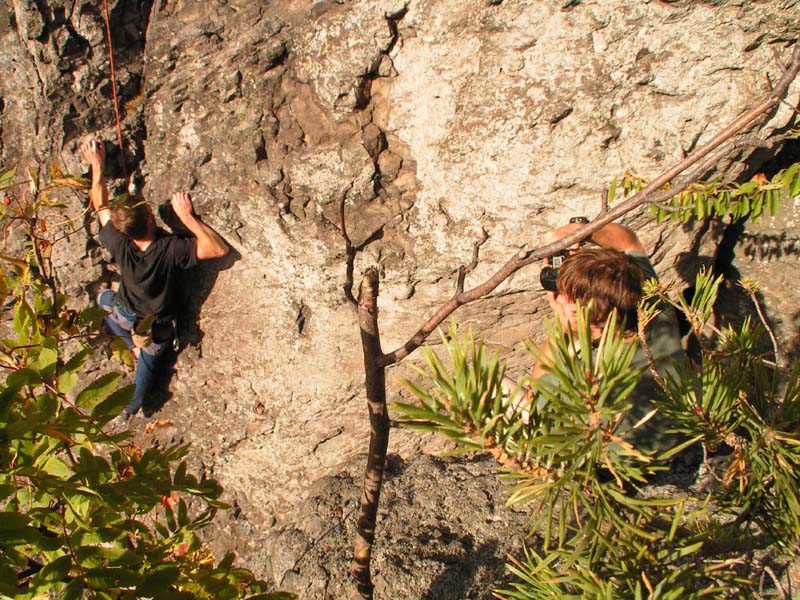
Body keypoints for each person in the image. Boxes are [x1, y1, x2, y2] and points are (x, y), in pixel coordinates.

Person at [80, 138, 229, 422]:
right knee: (145, 373)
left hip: (123, 314)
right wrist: (188, 218)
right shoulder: (170, 249)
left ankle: (129, 343)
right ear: (150, 219)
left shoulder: (117, 240)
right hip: (154, 329)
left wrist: (96, 165)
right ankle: (130, 409)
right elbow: (218, 249)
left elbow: (100, 204)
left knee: (103, 300)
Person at [531, 221, 684, 454]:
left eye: (568, 298)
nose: (558, 299)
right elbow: (628, 241)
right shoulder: (656, 309)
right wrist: (583, 230)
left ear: (597, 314)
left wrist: (565, 332)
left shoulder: (589, 369)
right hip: (669, 448)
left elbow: (537, 403)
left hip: (610, 471)